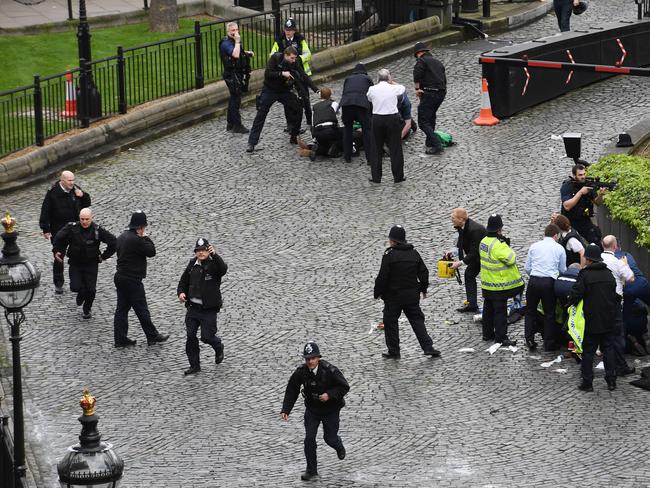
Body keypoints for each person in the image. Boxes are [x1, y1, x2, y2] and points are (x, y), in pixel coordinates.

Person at [281, 342, 349, 481]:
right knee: (309, 439)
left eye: (313, 358)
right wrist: (286, 409)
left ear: (318, 358)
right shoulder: (302, 371)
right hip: (312, 410)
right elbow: (292, 389)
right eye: (307, 359)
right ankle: (311, 471)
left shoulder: (330, 370)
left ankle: (338, 445)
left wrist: (329, 395)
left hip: (330, 410)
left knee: (329, 438)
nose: (310, 361)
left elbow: (344, 387)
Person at [374, 225, 441, 358]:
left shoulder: (389, 255)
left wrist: (378, 292)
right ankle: (428, 347)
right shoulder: (414, 254)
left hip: (393, 297)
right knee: (417, 320)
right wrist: (423, 289)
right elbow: (423, 272)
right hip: (411, 296)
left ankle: (394, 351)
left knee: (390, 322)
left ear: (393, 240)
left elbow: (383, 276)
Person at [113, 211, 169, 348]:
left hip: (120, 277)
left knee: (122, 309)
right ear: (141, 227)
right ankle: (152, 336)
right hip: (132, 280)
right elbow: (151, 252)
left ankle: (120, 338)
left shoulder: (121, 237)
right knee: (142, 309)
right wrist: (145, 237)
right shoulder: (137, 240)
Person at [568, 244, 618, 391]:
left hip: (591, 319)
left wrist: (570, 301)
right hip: (608, 318)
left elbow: (576, 294)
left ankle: (587, 383)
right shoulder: (608, 274)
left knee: (588, 351)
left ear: (588, 259)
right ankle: (611, 381)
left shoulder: (585, 275)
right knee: (608, 349)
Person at [53, 208, 116, 319]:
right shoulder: (72, 228)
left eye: (87, 219)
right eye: (82, 219)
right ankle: (81, 293)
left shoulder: (97, 230)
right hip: (75, 263)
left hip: (91, 264)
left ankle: (87, 309)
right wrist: (57, 250)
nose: (84, 222)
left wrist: (104, 256)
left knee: (91, 290)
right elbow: (58, 238)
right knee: (75, 287)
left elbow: (113, 242)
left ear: (92, 218)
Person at [177, 238, 228, 375]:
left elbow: (223, 269)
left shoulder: (213, 265)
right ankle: (194, 365)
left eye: (203, 250)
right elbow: (183, 282)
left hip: (208, 310)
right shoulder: (192, 265)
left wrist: (215, 255)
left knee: (207, 337)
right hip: (193, 309)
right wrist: (181, 293)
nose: (201, 253)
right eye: (198, 251)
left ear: (208, 250)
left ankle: (218, 346)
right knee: (190, 336)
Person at [39, 170, 91, 294]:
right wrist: (45, 229)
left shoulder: (75, 190)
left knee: (79, 254)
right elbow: (45, 211)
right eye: (69, 180)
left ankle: (79, 280)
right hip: (59, 230)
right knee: (59, 256)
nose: (72, 183)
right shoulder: (53, 193)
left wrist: (82, 195)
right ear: (62, 180)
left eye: (73, 180)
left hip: (75, 230)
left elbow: (87, 204)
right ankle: (58, 282)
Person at [246, 46, 306, 152]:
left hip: (284, 91)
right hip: (270, 90)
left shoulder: (294, 62)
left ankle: (294, 134)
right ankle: (252, 142)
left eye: (295, 58)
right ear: (285, 55)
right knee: (261, 114)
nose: (294, 60)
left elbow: (300, 77)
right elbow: (268, 74)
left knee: (298, 108)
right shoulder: (275, 58)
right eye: (292, 58)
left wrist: (303, 93)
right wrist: (281, 73)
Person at [479, 214, 525, 346]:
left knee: (488, 309)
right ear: (499, 229)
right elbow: (511, 259)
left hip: (487, 284)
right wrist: (506, 245)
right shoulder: (499, 245)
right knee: (500, 312)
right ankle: (501, 337)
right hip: (499, 286)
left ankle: (487, 334)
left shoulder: (483, 242)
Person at [523, 224, 567, 351]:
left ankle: (529, 339)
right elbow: (562, 269)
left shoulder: (534, 246)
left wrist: (535, 275)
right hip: (549, 282)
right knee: (549, 313)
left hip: (533, 281)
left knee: (530, 311)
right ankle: (549, 342)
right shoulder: (559, 248)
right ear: (555, 235)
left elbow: (527, 268)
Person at [601, 235, 636, 376]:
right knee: (617, 335)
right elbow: (631, 278)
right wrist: (625, 264)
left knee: (602, 334)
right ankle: (620, 366)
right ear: (615, 247)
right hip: (614, 303)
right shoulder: (617, 262)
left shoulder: (597, 259)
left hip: (598, 302)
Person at [270, 18, 314, 129]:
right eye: (286, 29)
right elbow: (272, 54)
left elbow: (308, 54)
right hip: (286, 74)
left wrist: (299, 59)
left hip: (300, 73)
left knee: (305, 97)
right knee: (287, 99)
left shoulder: (300, 39)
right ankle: (290, 124)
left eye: (290, 29)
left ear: (294, 30)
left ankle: (309, 120)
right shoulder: (280, 39)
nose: (288, 32)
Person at [366, 69, 406, 184]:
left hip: (377, 118)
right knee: (395, 148)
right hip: (392, 118)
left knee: (376, 148)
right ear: (389, 78)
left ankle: (376, 177)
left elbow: (369, 98)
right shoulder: (394, 88)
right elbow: (402, 88)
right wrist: (391, 82)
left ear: (378, 78)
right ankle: (398, 177)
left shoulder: (372, 89)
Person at [449, 208, 487, 313]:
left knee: (484, 278)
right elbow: (461, 244)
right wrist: (452, 252)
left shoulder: (475, 230)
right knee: (469, 275)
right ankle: (472, 304)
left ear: (461, 219)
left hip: (485, 258)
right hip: (476, 257)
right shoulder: (461, 226)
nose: (451, 219)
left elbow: (474, 252)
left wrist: (460, 263)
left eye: (453, 218)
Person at [614, 245, 650, 353]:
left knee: (623, 319)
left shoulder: (612, 259)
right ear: (619, 247)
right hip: (642, 283)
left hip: (629, 287)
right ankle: (645, 336)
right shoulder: (627, 254)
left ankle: (627, 343)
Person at [220, 22, 254, 134]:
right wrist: (238, 41)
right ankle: (237, 125)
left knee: (234, 97)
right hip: (232, 75)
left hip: (237, 73)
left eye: (236, 30)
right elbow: (235, 55)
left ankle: (230, 123)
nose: (235, 32)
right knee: (236, 99)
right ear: (228, 32)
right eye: (232, 31)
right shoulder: (226, 43)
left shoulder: (233, 41)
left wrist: (246, 53)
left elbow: (239, 53)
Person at [413, 42, 446, 155]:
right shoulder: (438, 62)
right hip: (441, 93)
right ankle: (430, 141)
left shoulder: (421, 61)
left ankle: (437, 145)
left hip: (429, 93)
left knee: (423, 121)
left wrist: (417, 89)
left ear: (419, 53)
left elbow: (417, 74)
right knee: (431, 116)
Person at [340, 63, 377, 165]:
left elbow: (344, 93)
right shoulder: (367, 79)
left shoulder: (348, 79)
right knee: (367, 131)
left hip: (347, 104)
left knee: (347, 130)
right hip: (361, 105)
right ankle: (370, 158)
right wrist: (371, 113)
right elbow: (372, 96)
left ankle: (347, 156)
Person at [560, 164, 606, 245]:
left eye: (584, 174)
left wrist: (601, 195)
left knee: (596, 237)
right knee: (571, 243)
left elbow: (597, 203)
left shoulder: (588, 184)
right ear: (574, 175)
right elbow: (567, 206)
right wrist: (581, 192)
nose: (583, 177)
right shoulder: (567, 186)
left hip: (583, 219)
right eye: (580, 175)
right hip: (570, 221)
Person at [309, 87, 343, 161]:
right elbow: (338, 116)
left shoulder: (315, 107)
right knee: (343, 133)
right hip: (329, 130)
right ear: (330, 95)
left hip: (317, 132)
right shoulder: (333, 103)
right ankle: (334, 150)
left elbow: (312, 123)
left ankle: (317, 147)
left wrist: (313, 138)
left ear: (320, 96)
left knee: (323, 141)